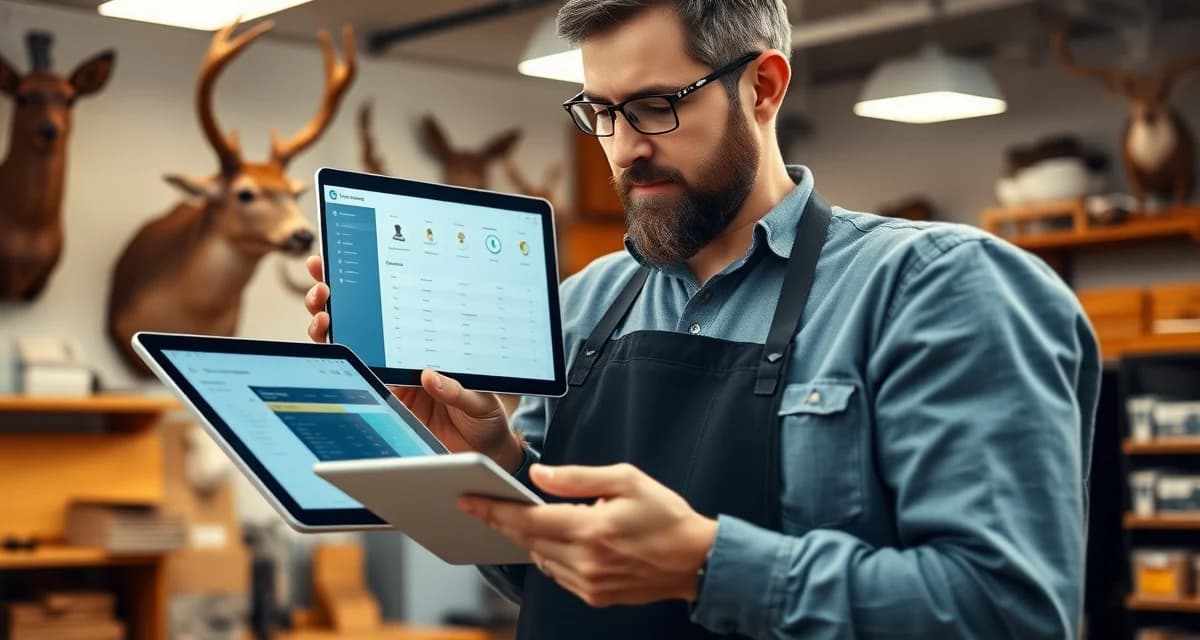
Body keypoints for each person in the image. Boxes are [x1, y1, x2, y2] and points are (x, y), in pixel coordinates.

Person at [304, 1, 1100, 637]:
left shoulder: (939, 291)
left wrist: (708, 566)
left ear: (763, 87)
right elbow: (551, 578)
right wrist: (494, 459)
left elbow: (1008, 609)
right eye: (600, 112)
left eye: (653, 107)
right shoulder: (583, 306)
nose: (621, 150)